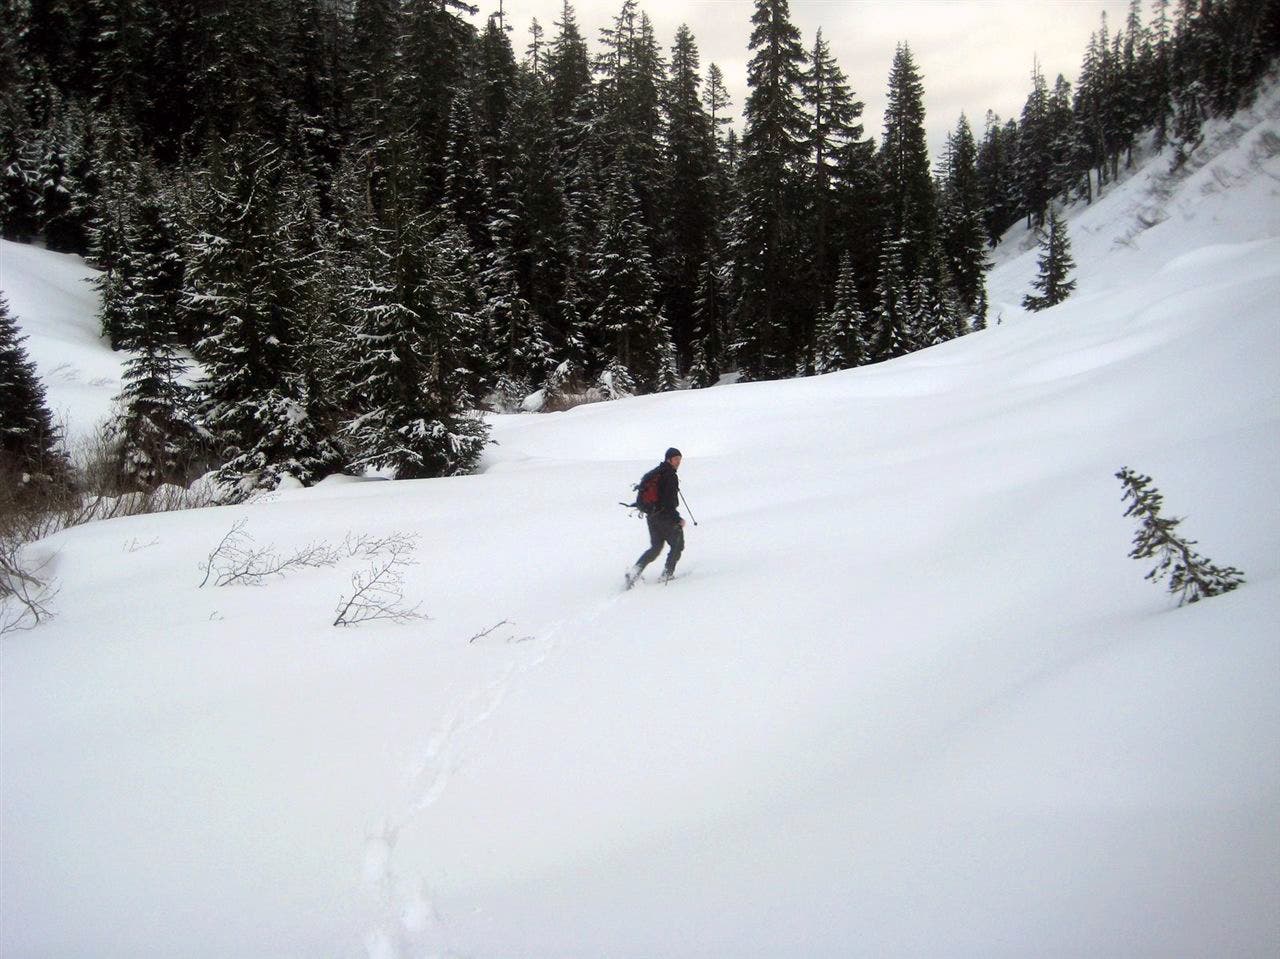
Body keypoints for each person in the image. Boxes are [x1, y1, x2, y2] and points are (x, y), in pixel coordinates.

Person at [625, 447, 686, 588]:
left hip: (651, 516)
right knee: (678, 544)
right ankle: (667, 574)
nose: (678, 462)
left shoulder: (655, 473)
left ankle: (634, 572)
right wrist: (677, 519)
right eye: (676, 459)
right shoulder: (669, 476)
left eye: (680, 459)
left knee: (656, 547)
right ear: (669, 459)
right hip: (665, 517)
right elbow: (668, 502)